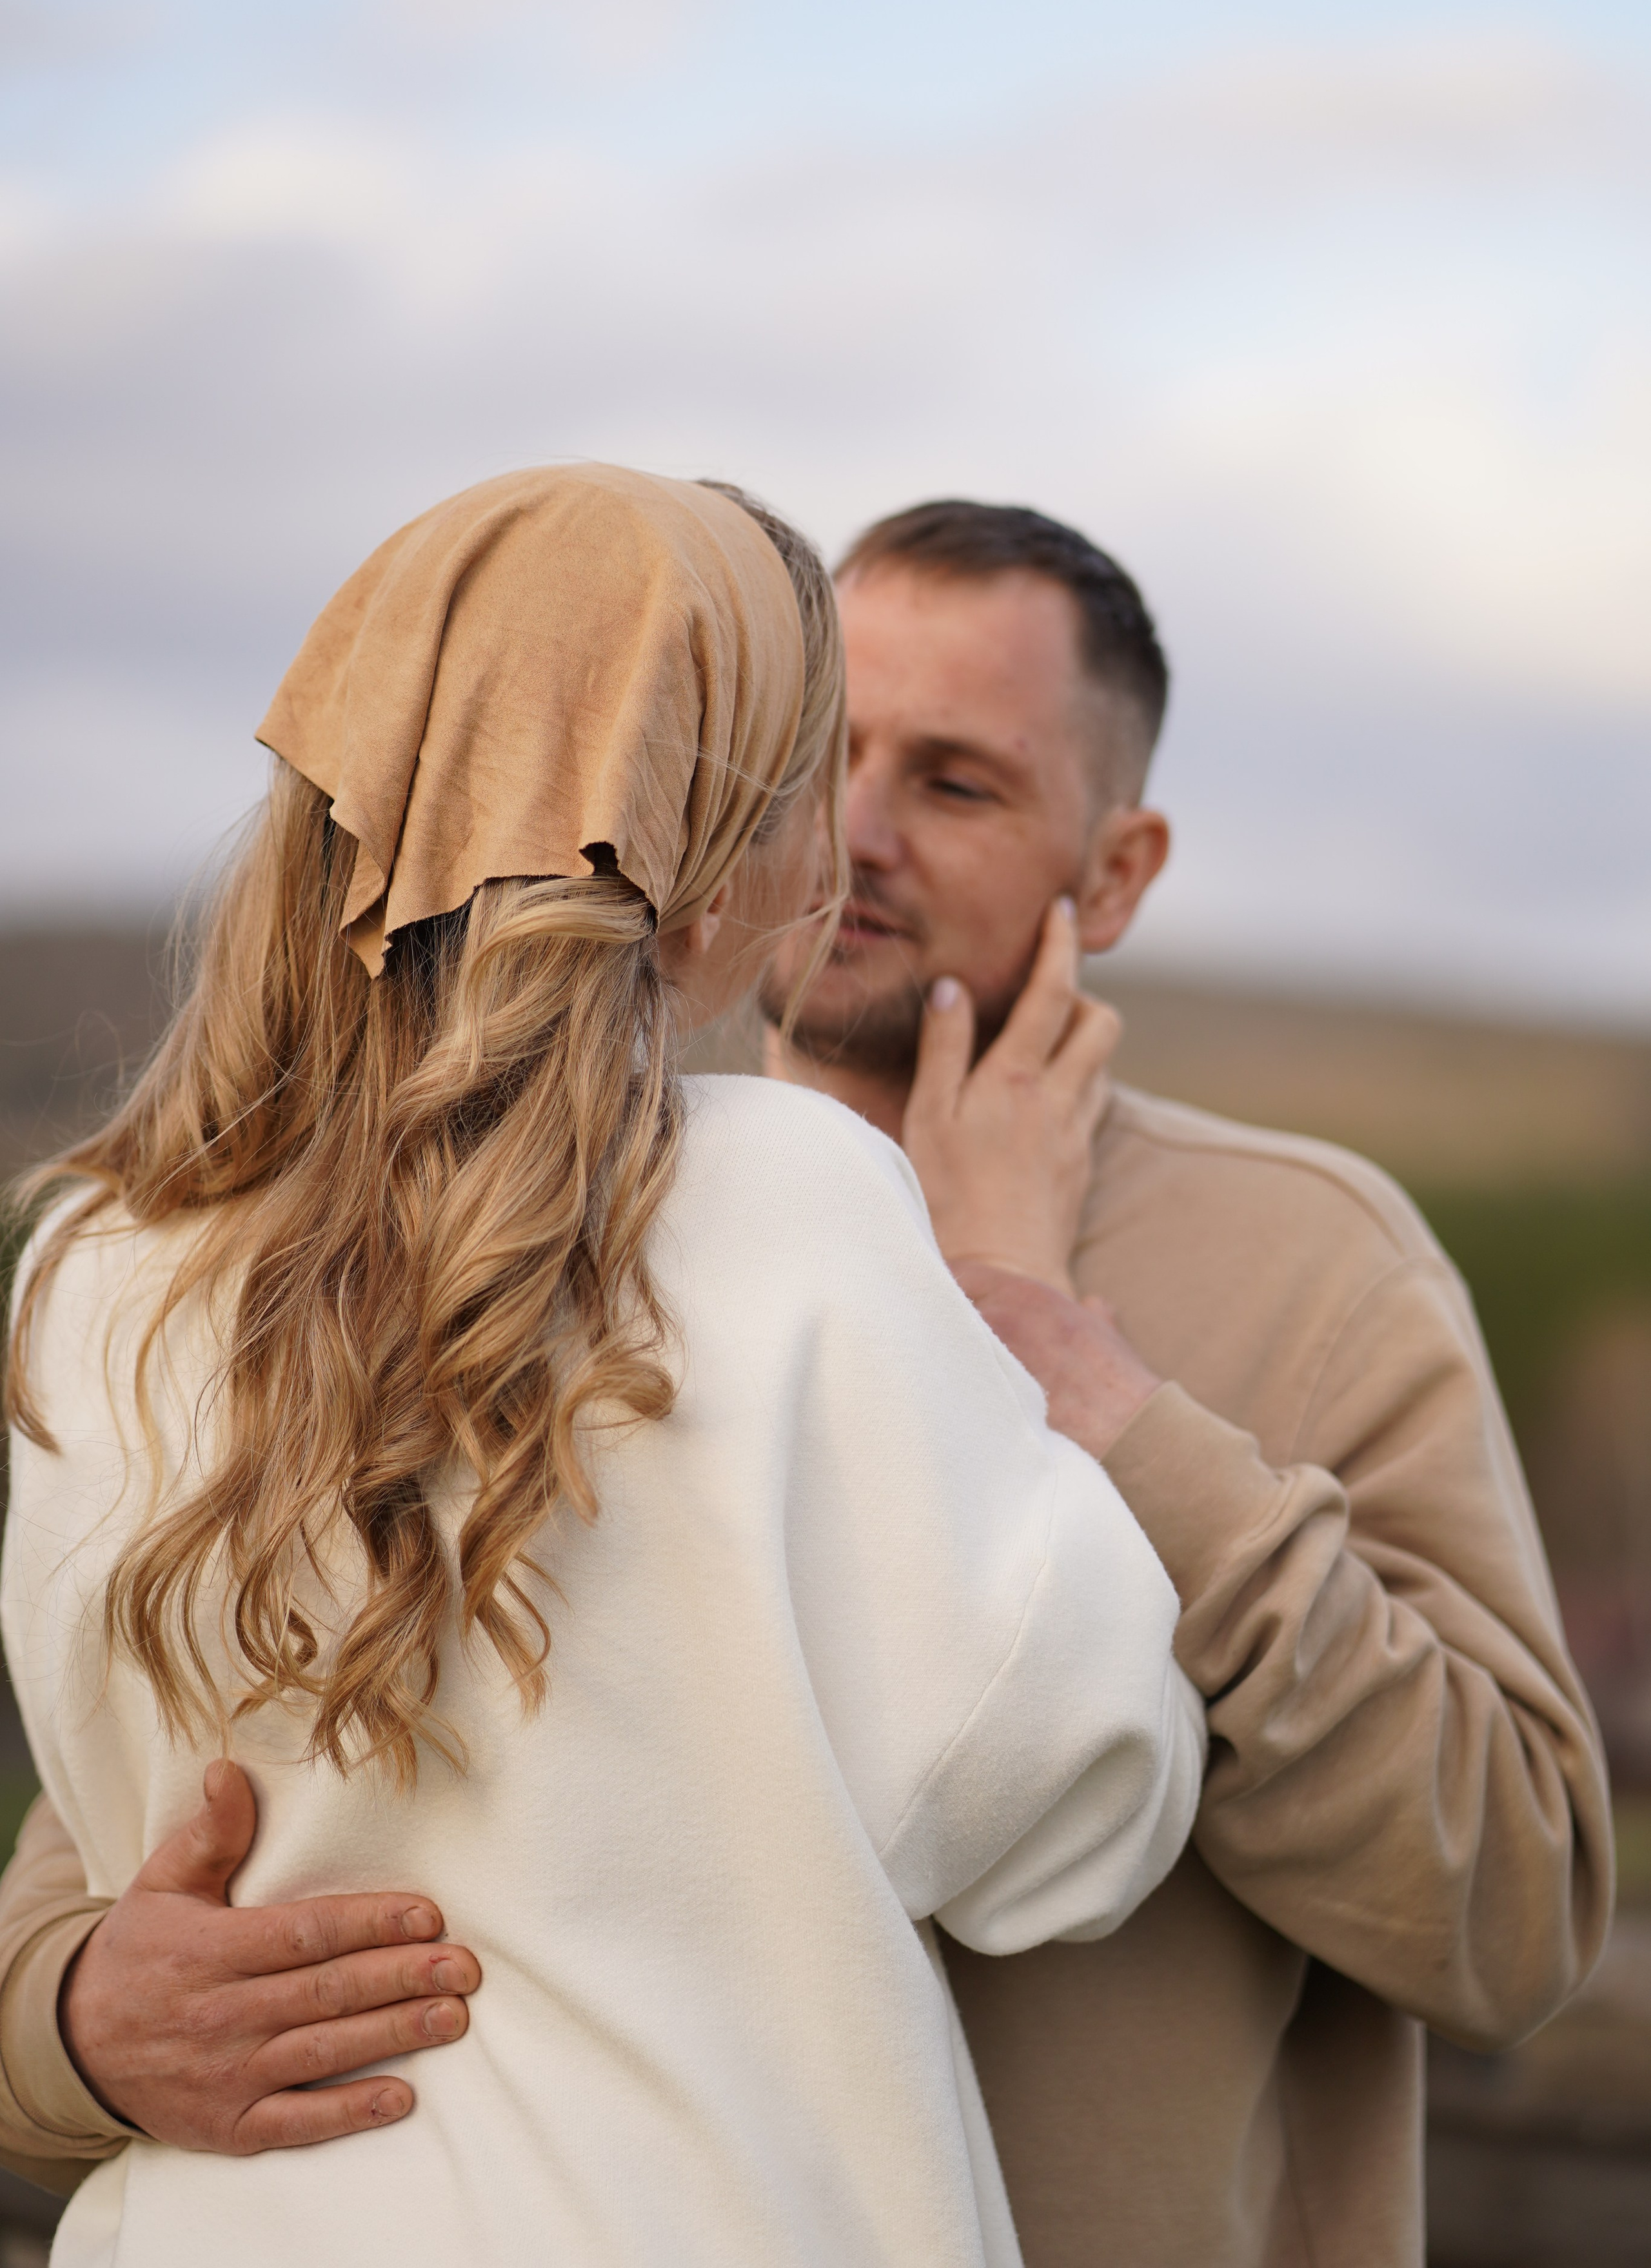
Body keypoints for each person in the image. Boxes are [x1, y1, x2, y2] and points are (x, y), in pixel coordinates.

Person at [0, 488, 1614, 2268]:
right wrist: (70, 2018)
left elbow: (1518, 1922)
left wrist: (1104, 1405)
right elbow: (120, 1834)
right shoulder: (404, 1234)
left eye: (957, 781)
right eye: (819, 752)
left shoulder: (1312, 1261)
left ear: (1122, 871)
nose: (858, 829)